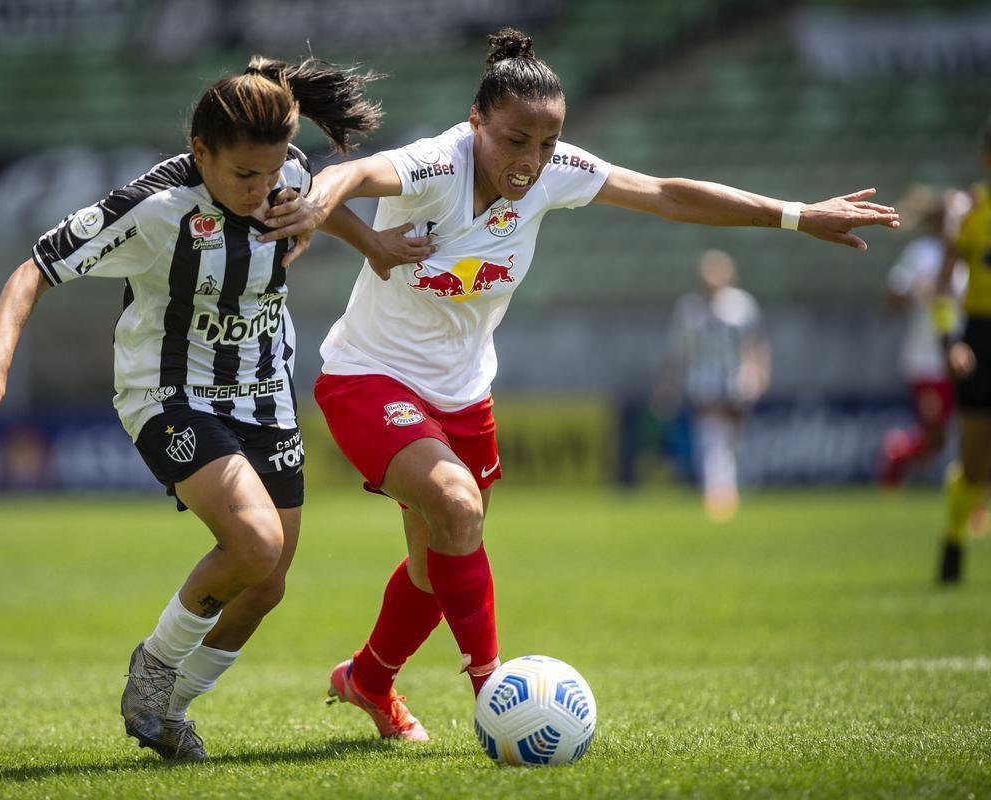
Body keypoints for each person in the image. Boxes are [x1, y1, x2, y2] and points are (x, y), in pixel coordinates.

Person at [261, 27, 899, 742]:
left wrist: (795, 215)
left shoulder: (555, 168)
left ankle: (368, 681)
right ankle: (495, 695)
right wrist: (332, 217)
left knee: (436, 559)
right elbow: (355, 173)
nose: (532, 161)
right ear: (476, 122)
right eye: (515, 140)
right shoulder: (437, 164)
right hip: (369, 375)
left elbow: (665, 194)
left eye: (546, 141)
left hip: (464, 391)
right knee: (458, 508)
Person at [0, 56, 392, 761]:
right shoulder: (156, 207)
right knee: (255, 542)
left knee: (269, 582)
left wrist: (372, 245)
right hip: (170, 392)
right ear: (200, 152)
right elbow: (37, 266)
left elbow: (317, 198)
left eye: (272, 172)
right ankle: (152, 674)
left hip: (265, 391)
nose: (262, 189)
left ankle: (168, 710)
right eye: (243, 176)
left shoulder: (285, 174)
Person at [653, 249, 769, 522]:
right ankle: (719, 497)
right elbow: (677, 351)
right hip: (703, 383)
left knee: (734, 441)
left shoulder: (742, 305)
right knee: (711, 440)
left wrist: (759, 374)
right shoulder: (689, 308)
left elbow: (756, 344)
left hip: (737, 381)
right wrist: (668, 383)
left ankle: (730, 491)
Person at [932, 114, 991, 583]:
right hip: (981, 337)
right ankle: (953, 541)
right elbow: (942, 287)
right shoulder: (971, 212)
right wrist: (950, 343)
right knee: (973, 460)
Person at [878, 187, 964, 488]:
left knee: (949, 437)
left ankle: (900, 454)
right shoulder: (922, 253)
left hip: (962, 354)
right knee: (935, 434)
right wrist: (918, 294)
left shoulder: (968, 255)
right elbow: (892, 297)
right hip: (925, 359)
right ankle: (897, 455)